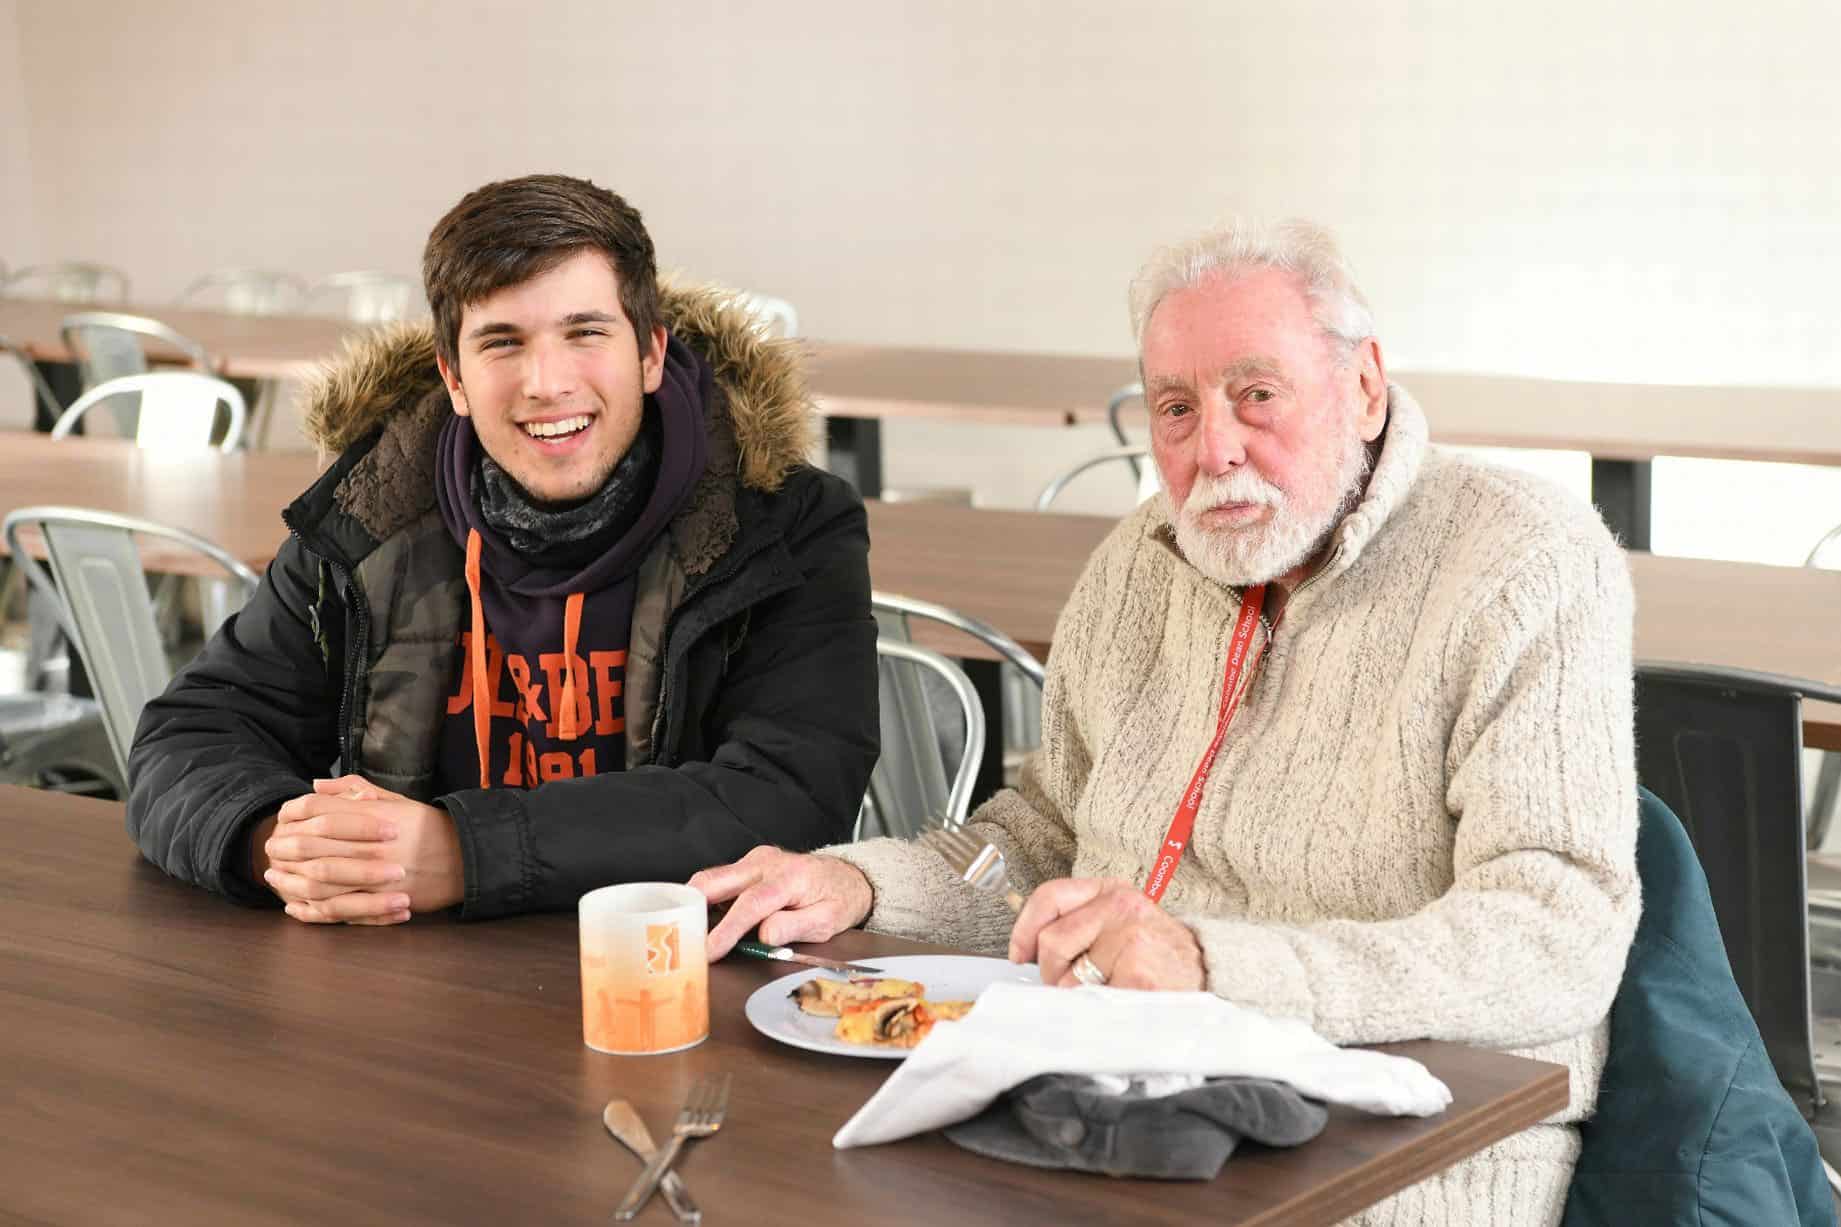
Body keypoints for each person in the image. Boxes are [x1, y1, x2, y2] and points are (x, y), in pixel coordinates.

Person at [693, 219, 1638, 1225]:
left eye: (1256, 395)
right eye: (1174, 409)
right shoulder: (1139, 561)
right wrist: (860, 880)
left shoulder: (1522, 560)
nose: (1212, 450)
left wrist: (1209, 967)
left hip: (1410, 1145)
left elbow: (1554, 935)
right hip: (1120, 1107)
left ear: (1362, 388)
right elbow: (1039, 845)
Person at [127, 174, 878, 924]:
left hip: (669, 979)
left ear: (650, 353)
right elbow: (190, 733)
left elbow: (792, 796)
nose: (546, 382)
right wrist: (285, 844)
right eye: (502, 343)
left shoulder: (783, 524)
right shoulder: (371, 515)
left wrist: (462, 852)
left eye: (585, 333)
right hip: (411, 980)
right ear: (453, 376)